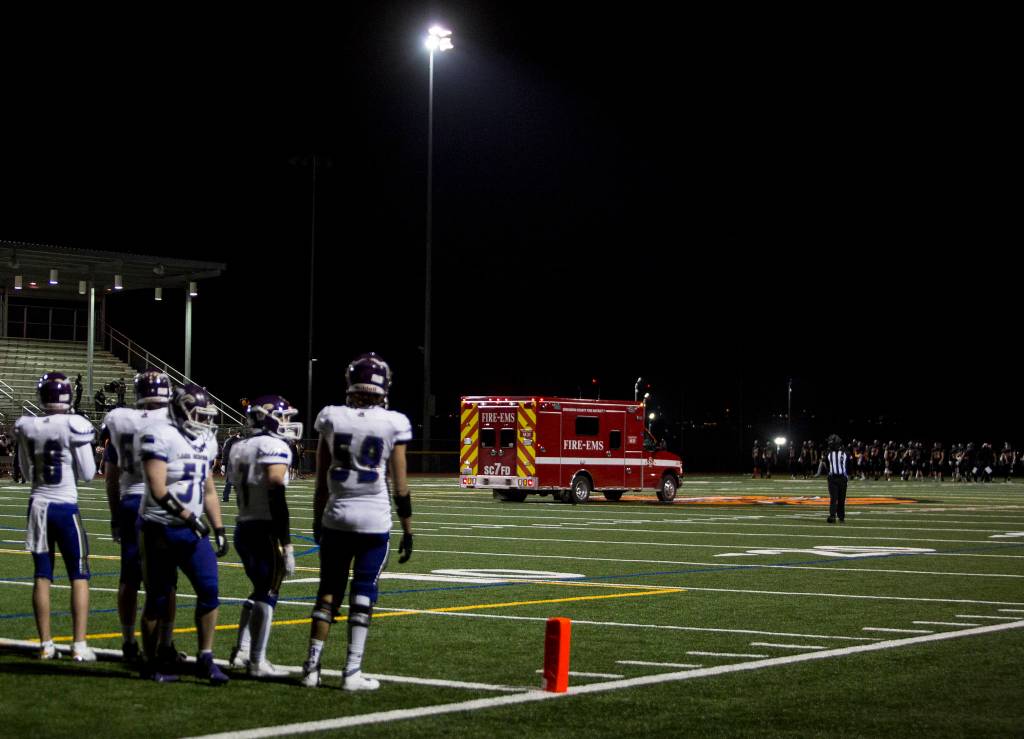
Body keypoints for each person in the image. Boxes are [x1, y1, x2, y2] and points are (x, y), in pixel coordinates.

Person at [301, 353, 413, 691]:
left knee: (327, 593)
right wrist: (408, 527)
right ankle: (351, 672)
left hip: (337, 516)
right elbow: (400, 483)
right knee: (363, 592)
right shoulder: (393, 422)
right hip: (374, 520)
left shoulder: (332, 417)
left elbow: (320, 481)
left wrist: (318, 521)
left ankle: (310, 668)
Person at [138, 383, 229, 684]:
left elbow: (209, 489)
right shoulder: (159, 435)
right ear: (179, 409)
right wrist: (188, 516)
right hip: (159, 527)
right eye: (197, 413)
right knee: (157, 599)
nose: (202, 420)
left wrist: (218, 527)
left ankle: (205, 657)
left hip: (193, 531)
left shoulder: (207, 440)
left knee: (209, 590)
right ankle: (150, 663)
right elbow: (157, 486)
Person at [13, 372, 98, 661]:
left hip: (38, 506)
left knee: (42, 575)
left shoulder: (28, 426)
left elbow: (24, 472)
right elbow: (88, 474)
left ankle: (46, 644)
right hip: (64, 506)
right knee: (79, 575)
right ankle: (79, 645)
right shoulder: (74, 424)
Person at [102, 369, 183, 664]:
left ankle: (128, 642)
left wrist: (114, 514)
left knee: (129, 577)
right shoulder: (173, 420)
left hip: (129, 499)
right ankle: (165, 643)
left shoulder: (122, 421)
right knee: (167, 579)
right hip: (161, 503)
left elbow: (110, 477)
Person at [227, 395, 301, 678]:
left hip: (243, 526)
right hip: (264, 529)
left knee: (260, 590)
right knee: (269, 592)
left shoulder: (238, 447)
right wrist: (287, 543)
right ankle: (257, 660)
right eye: (283, 417)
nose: (287, 423)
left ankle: (242, 650)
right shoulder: (274, 446)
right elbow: (276, 496)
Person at [825, 433, 848, 524]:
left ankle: (841, 516)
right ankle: (832, 515)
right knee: (834, 498)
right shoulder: (828, 453)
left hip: (842, 478)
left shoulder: (845, 452)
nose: (830, 445)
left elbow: (848, 464)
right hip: (833, 478)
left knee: (841, 498)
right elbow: (827, 465)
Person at [220, 430, 243, 502]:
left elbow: (225, 453)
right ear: (236, 433)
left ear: (229, 433)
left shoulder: (228, 441)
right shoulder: (240, 440)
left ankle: (225, 497)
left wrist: (223, 464)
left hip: (231, 463)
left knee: (229, 481)